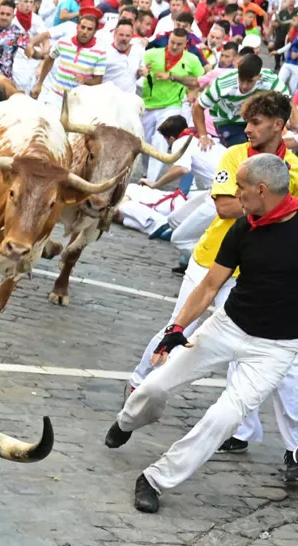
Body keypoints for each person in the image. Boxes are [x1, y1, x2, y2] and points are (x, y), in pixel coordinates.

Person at [107, 154, 298, 511]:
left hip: (275, 349)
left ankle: (154, 479)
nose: (235, 196)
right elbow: (210, 284)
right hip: (227, 327)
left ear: (261, 189)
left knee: (222, 419)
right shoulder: (243, 227)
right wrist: (175, 328)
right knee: (155, 386)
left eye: (240, 189)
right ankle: (127, 420)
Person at [128, 89, 298, 450]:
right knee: (179, 323)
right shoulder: (235, 155)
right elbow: (224, 207)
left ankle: (242, 431)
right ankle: (139, 382)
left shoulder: (294, 168)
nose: (247, 128)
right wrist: (273, 202)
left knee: (248, 347)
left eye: (255, 122)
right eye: (247, 121)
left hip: (250, 273)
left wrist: (270, 203)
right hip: (211, 258)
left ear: (278, 125)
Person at [139, 28, 205, 159]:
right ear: (168, 40)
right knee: (144, 143)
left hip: (172, 105)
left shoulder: (192, 60)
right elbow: (136, 67)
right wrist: (141, 70)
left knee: (160, 140)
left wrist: (193, 91)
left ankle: (152, 178)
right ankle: (146, 175)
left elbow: (201, 81)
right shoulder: (151, 54)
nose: (174, 46)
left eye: (179, 44)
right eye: (172, 42)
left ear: (186, 44)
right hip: (148, 106)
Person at [196, 52, 286, 145]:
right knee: (242, 151)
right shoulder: (223, 84)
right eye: (241, 80)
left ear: (259, 77)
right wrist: (203, 136)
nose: (244, 86)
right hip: (227, 121)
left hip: (253, 119)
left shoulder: (270, 80)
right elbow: (198, 106)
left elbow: (286, 101)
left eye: (250, 81)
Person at [31, 6, 109, 107]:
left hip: (79, 103)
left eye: (89, 29)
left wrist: (85, 80)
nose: (85, 32)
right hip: (56, 98)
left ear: (95, 31)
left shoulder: (100, 52)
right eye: (83, 27)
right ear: (77, 27)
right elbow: (50, 59)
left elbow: (98, 81)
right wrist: (40, 83)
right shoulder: (63, 42)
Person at [104, 19, 147, 86]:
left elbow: (136, 76)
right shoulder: (105, 53)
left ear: (132, 36)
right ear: (115, 34)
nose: (124, 38)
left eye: (127, 36)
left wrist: (140, 73)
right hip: (108, 95)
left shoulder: (138, 50)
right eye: (121, 35)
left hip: (129, 95)